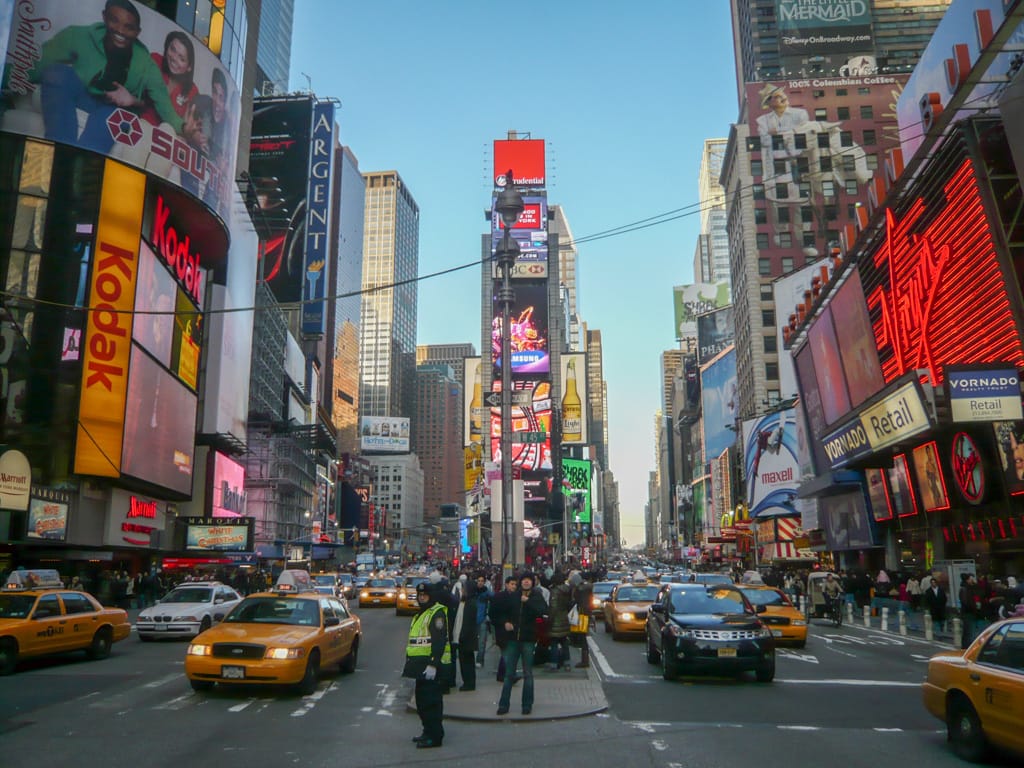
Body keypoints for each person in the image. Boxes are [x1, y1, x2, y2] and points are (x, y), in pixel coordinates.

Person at [28, 0, 201, 154]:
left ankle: (78, 164)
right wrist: (8, 80)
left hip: (112, 112)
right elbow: (37, 65)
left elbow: (165, 108)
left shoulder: (147, 65)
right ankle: (61, 153)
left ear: (137, 32)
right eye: (114, 20)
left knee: (113, 118)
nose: (120, 30)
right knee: (58, 73)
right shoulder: (79, 36)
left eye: (129, 27)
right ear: (104, 17)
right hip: (83, 96)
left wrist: (186, 129)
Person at [401, 581, 450, 749]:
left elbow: (439, 640)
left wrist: (433, 664)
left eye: (425, 595)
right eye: (420, 595)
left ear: (431, 596)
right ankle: (427, 731)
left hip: (430, 665)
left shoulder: (436, 613)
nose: (422, 598)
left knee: (431, 704)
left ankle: (434, 737)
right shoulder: (421, 613)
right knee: (422, 703)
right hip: (419, 665)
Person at [496, 572, 547, 717]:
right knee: (509, 674)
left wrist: (528, 602)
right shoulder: (514, 596)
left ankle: (527, 705)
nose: (526, 583)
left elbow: (543, 611)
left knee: (528, 673)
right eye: (524, 580)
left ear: (532, 582)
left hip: (528, 639)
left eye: (528, 580)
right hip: (513, 639)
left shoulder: (536, 596)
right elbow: (502, 612)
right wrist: (505, 622)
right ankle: (503, 705)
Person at [139, 31, 197, 125]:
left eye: (181, 59)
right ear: (167, 46)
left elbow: (187, 126)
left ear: (189, 67)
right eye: (173, 49)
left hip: (167, 136)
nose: (174, 58)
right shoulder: (155, 61)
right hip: (139, 124)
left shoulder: (192, 91)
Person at [488, 574, 520, 684]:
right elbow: (492, 613)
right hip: (502, 630)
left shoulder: (517, 597)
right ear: (506, 585)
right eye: (512, 584)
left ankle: (501, 675)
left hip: (513, 629)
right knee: (507, 652)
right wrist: (503, 623)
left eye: (515, 584)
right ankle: (511, 675)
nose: (514, 586)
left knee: (508, 653)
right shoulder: (498, 597)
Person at [451, 579, 478, 692]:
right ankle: (467, 682)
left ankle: (469, 683)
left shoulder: (470, 603)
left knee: (467, 662)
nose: (462, 590)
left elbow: (467, 622)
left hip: (466, 638)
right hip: (463, 637)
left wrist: (462, 635)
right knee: (465, 661)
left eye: (463, 588)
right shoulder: (464, 602)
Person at [545, 571, 572, 671]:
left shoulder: (555, 591)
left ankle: (554, 663)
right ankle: (567, 663)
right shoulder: (567, 590)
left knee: (554, 643)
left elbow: (553, 607)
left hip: (556, 620)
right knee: (564, 642)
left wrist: (549, 620)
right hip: (564, 618)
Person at [568, 570, 592, 668]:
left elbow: (575, 601)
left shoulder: (579, 590)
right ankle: (585, 660)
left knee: (582, 638)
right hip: (585, 613)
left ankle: (584, 661)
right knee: (583, 637)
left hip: (581, 614)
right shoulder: (587, 588)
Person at [474, 572, 494, 668]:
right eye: (479, 581)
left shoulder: (487, 592)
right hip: (472, 620)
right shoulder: (472, 592)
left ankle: (480, 660)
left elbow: (494, 599)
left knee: (482, 643)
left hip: (482, 620)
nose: (480, 583)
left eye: (482, 581)